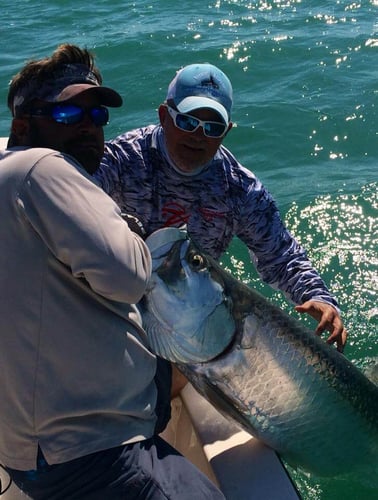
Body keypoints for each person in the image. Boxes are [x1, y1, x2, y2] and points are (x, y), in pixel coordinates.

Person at [0, 46, 225, 500]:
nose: (87, 125)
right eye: (66, 113)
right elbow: (127, 276)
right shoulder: (43, 167)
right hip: (93, 451)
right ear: (23, 126)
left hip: (36, 452)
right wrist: (131, 230)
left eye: (97, 114)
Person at [95, 63, 347, 355]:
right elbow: (68, 194)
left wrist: (319, 297)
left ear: (225, 132)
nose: (198, 135)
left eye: (212, 128)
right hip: (117, 299)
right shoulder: (122, 158)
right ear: (164, 116)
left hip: (185, 315)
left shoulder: (239, 188)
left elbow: (281, 256)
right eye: (188, 121)